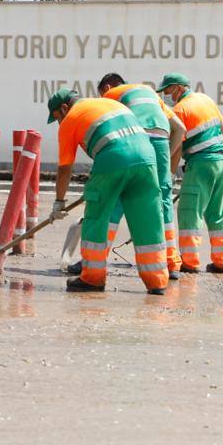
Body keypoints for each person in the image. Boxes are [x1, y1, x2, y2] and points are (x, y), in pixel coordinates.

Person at [46, 88, 169, 294]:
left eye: (58, 117)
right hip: (147, 159)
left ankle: (92, 278)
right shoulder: (113, 105)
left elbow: (65, 167)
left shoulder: (71, 119)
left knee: (96, 215)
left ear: (65, 107)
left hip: (114, 158)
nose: (59, 122)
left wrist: (59, 202)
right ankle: (157, 280)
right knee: (148, 219)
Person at [155, 72, 223, 274]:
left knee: (190, 211)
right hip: (222, 161)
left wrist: (169, 176)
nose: (166, 95)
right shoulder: (205, 99)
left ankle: (189, 262)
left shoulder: (180, 109)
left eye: (167, 90)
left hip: (201, 164)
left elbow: (177, 148)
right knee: (218, 212)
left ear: (178, 88)